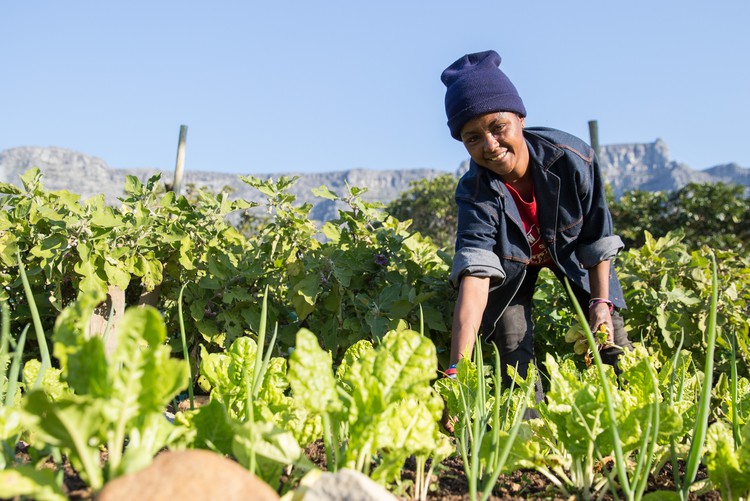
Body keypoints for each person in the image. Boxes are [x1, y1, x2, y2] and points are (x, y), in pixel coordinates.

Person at [440, 50, 632, 403]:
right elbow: (476, 274)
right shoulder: (475, 191)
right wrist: (458, 371)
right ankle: (529, 439)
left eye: (498, 128)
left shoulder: (573, 159)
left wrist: (601, 302)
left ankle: (628, 418)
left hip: (572, 254)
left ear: (520, 119)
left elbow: (597, 239)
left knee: (610, 337)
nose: (490, 146)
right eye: (473, 138)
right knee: (513, 346)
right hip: (513, 271)